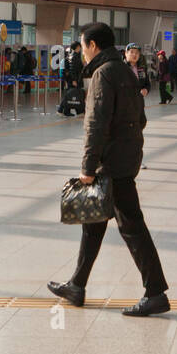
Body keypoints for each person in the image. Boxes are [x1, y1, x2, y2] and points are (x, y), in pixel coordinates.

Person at [47, 22, 169, 317]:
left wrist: (88, 167)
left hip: (112, 165)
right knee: (94, 223)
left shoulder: (103, 73)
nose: (82, 53)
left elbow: (96, 123)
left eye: (83, 46)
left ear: (93, 46)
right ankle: (77, 284)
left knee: (132, 227)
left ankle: (155, 293)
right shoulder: (124, 70)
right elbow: (140, 118)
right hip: (125, 158)